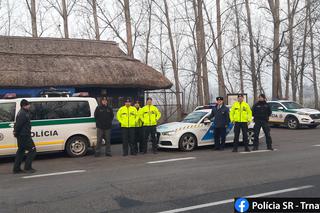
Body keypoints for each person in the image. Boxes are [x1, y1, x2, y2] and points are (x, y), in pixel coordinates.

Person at [13, 99, 37, 174]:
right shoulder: (23, 114)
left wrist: (16, 132)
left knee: (21, 151)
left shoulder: (22, 112)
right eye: (28, 105)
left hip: (22, 135)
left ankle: (16, 169)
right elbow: (18, 125)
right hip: (24, 136)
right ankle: (27, 167)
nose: (29, 106)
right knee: (32, 150)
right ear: (24, 106)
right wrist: (15, 132)